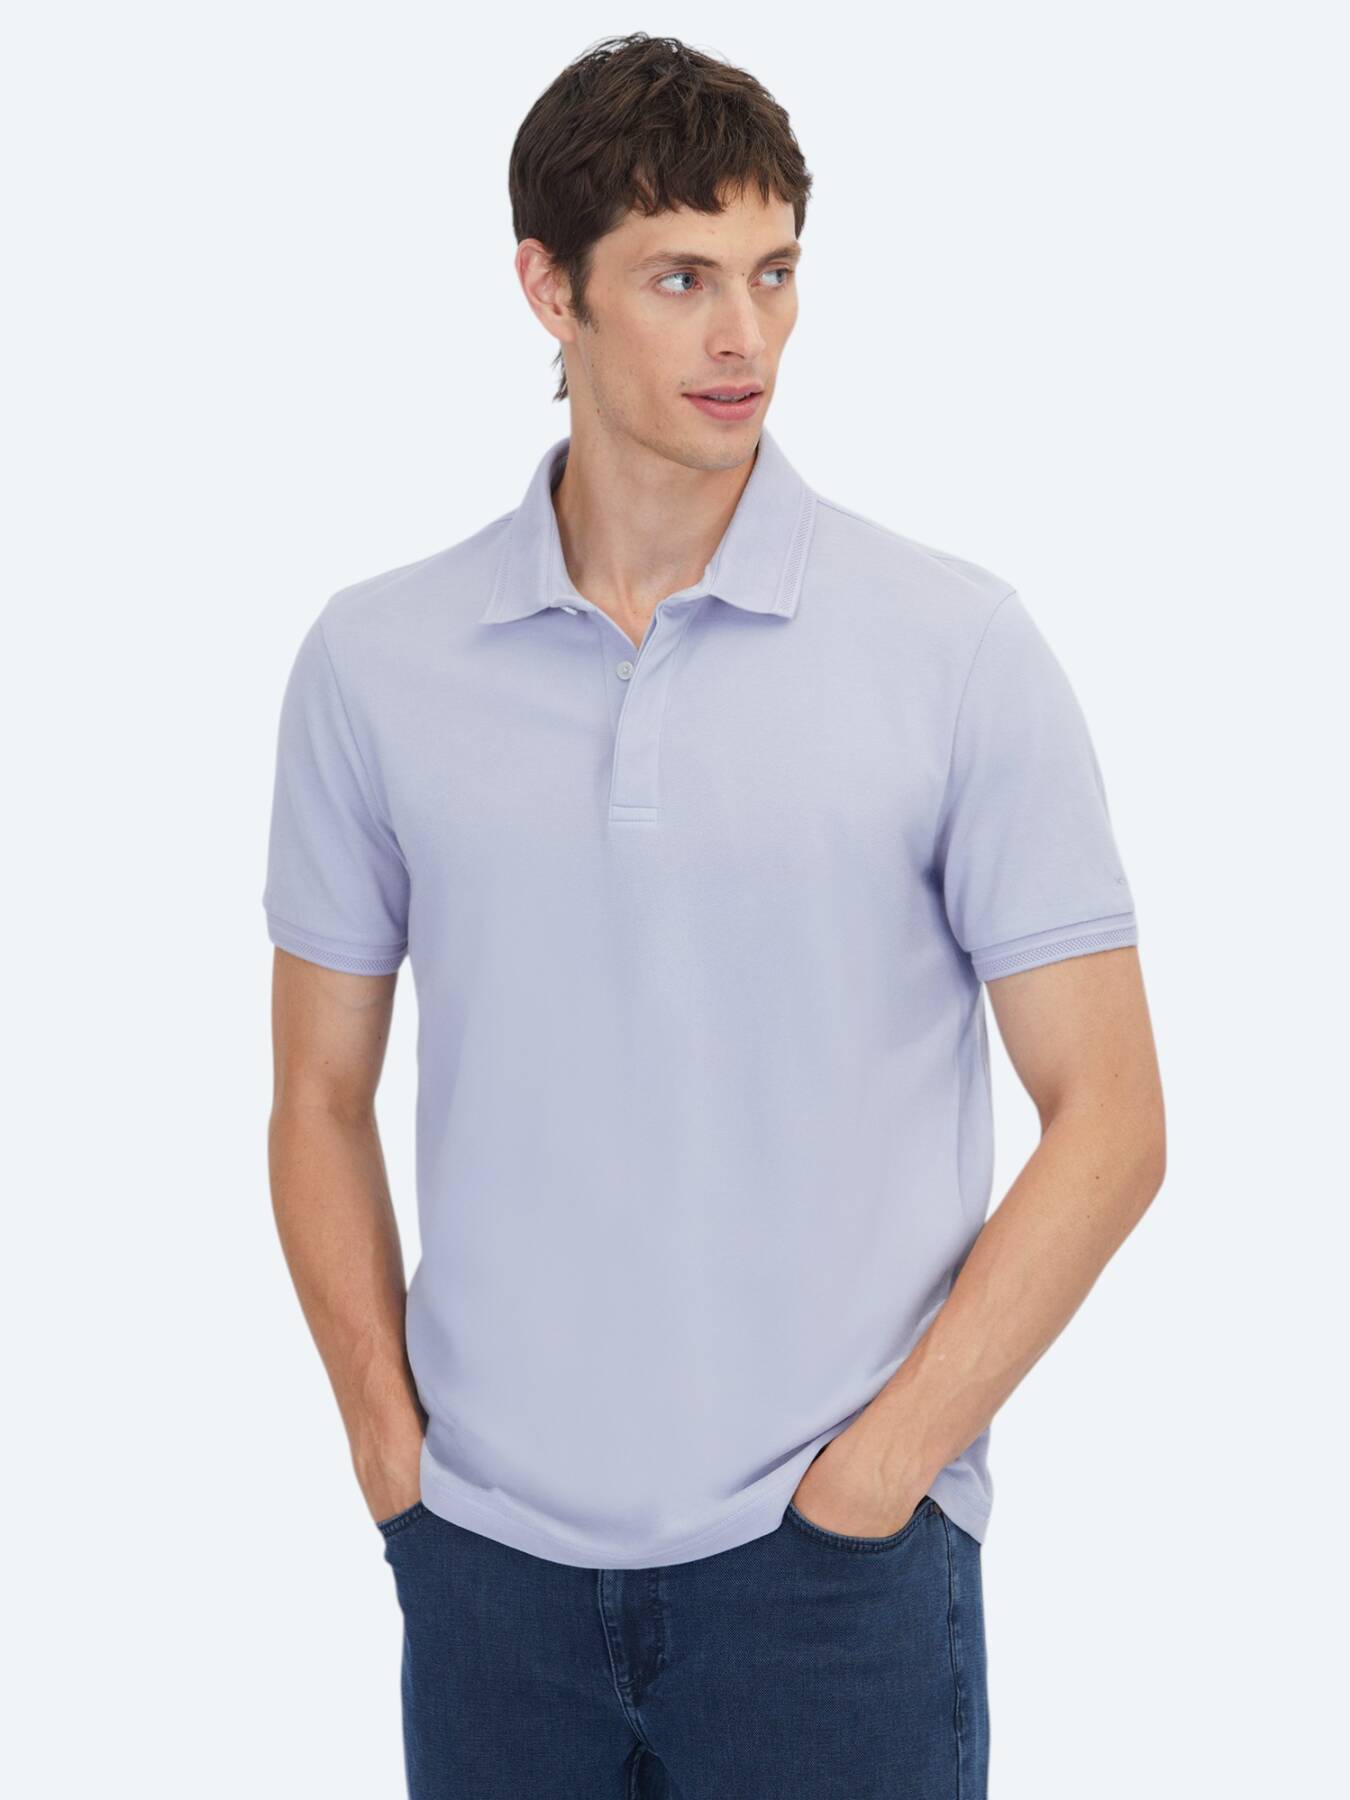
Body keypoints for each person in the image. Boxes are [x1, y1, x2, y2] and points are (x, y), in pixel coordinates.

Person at [261, 31, 1166, 1800]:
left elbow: (1113, 1116)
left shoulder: (953, 648)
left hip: (829, 1573)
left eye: (772, 273)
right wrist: (390, 1457)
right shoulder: (375, 661)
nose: (742, 333)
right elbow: (314, 1093)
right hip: (487, 1570)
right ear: (550, 289)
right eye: (680, 279)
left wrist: (885, 1473)